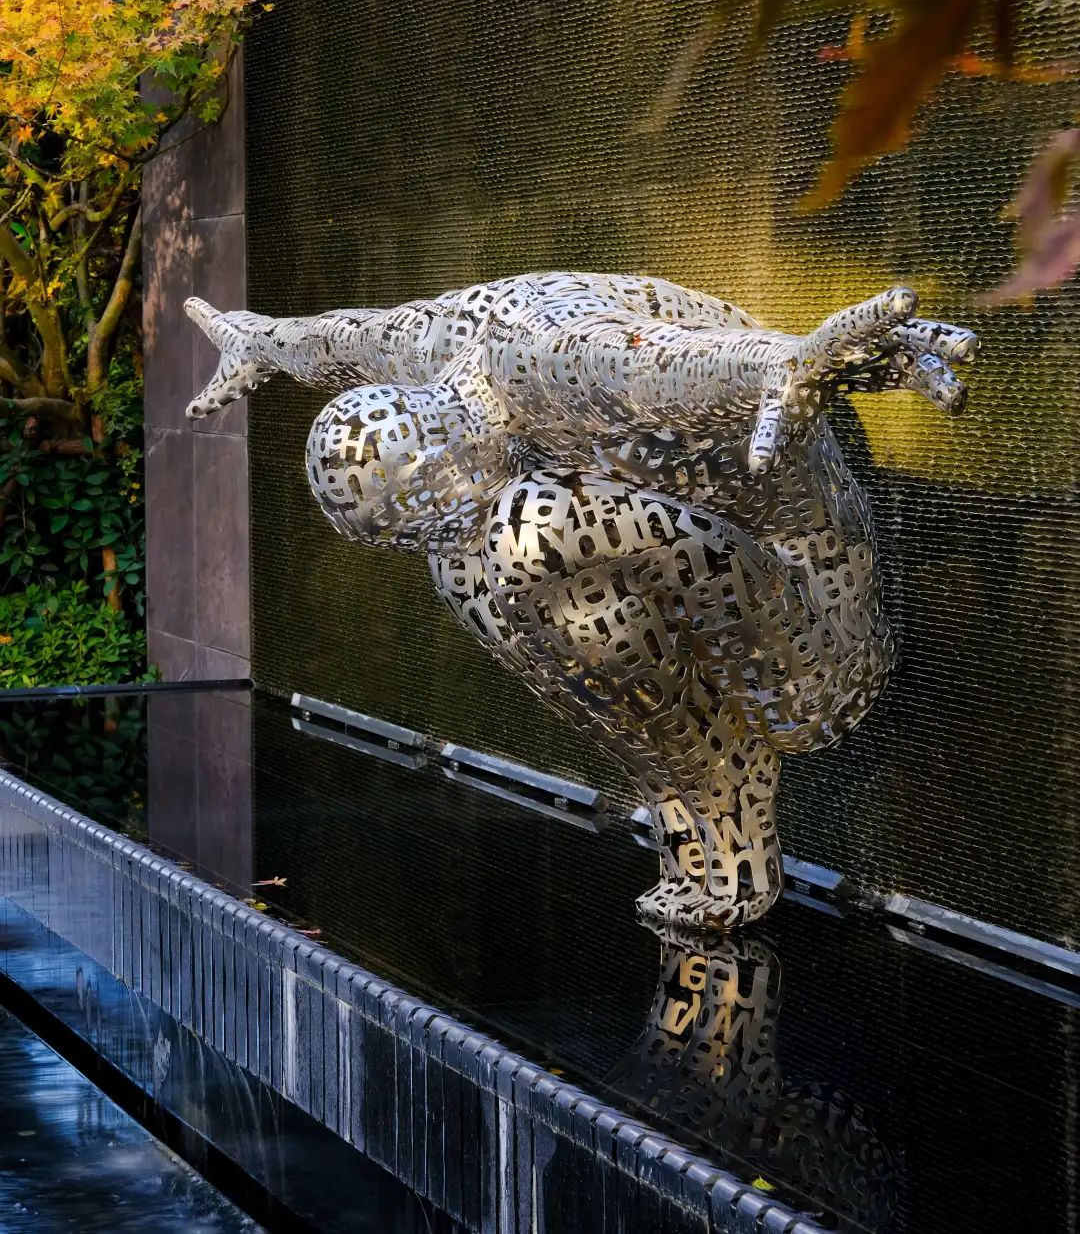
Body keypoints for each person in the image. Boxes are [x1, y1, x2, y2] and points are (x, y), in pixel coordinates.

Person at [186, 273, 977, 932]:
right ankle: (681, 807)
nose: (448, 529)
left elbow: (657, 362)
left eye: (440, 506)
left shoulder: (536, 358)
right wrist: (258, 337)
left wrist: (794, 362)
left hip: (815, 659)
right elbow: (335, 339)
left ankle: (735, 815)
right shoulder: (432, 351)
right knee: (468, 568)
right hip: (725, 611)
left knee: (530, 531)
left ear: (455, 450)